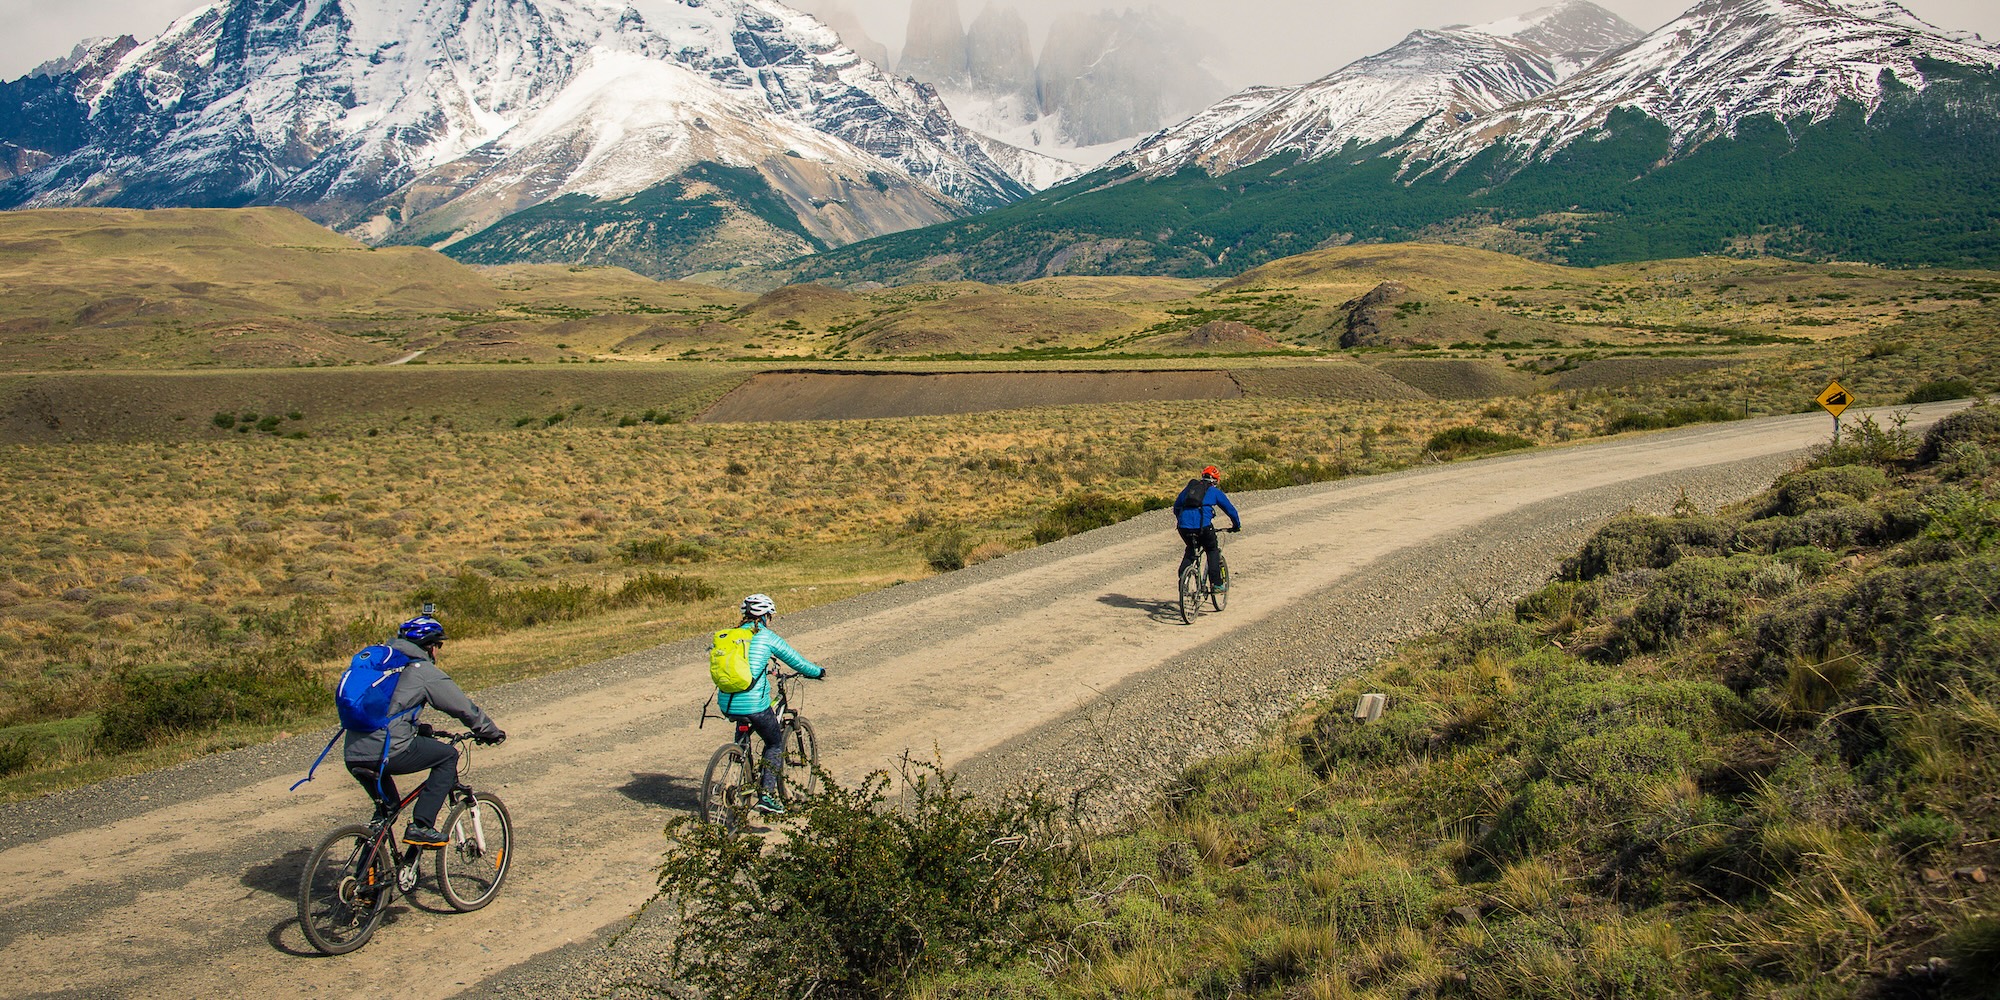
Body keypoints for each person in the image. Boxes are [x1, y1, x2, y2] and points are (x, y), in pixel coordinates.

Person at [344, 616, 506, 846]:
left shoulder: (386, 668)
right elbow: (461, 707)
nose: (438, 652)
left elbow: (388, 711)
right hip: (388, 751)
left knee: (387, 810)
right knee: (448, 756)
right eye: (438, 646)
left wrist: (417, 728)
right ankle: (421, 826)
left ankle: (362, 876)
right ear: (430, 646)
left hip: (353, 752)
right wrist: (489, 730)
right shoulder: (422, 670)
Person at [716, 593, 826, 815]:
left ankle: (739, 759)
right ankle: (766, 796)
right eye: (770, 616)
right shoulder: (766, 637)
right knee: (774, 743)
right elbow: (795, 660)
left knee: (745, 724)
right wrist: (817, 672)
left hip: (726, 702)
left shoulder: (731, 636)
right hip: (753, 705)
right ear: (765, 616)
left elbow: (741, 666)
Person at [1173, 465, 1240, 590]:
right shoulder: (1214, 491)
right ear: (1215, 480)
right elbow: (1230, 510)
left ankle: (1183, 578)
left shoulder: (1189, 488)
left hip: (1184, 527)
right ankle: (1217, 584)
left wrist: (1182, 520)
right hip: (1203, 527)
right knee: (1211, 550)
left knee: (1191, 549)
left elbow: (1176, 507)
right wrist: (1236, 525)